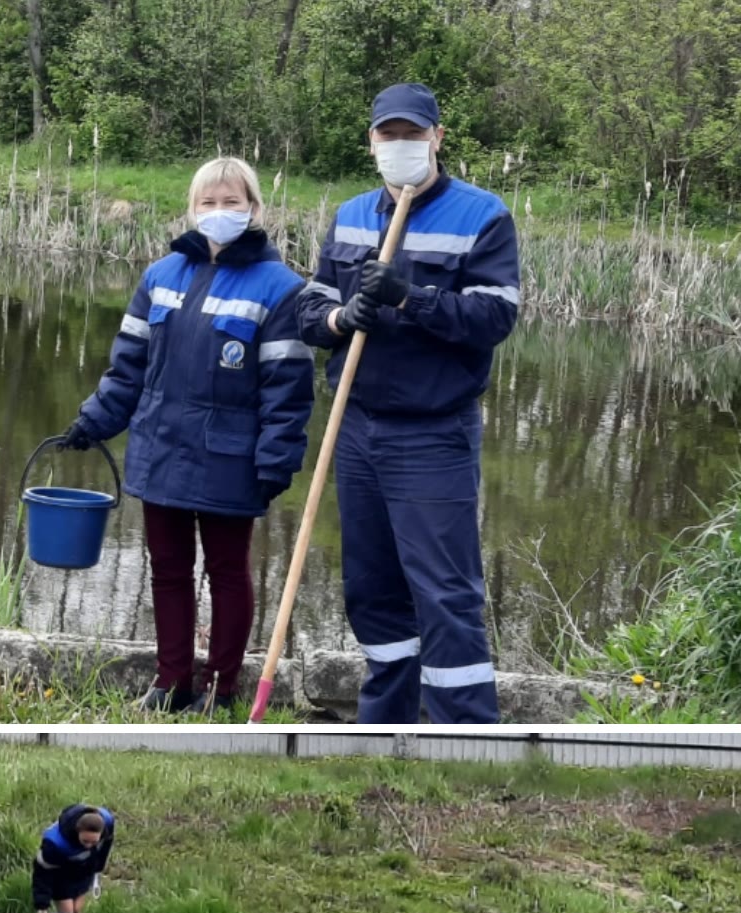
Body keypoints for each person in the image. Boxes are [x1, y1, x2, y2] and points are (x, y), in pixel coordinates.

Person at [297, 83, 521, 724]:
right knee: (371, 590)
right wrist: (343, 317)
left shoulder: (482, 215)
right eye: (387, 135)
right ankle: (387, 721)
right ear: (371, 142)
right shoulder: (350, 216)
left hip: (432, 434)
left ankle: (465, 734)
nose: (400, 145)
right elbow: (309, 312)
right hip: (357, 425)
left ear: (437, 138)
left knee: (445, 594)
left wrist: (408, 297)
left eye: (412, 134)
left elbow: (493, 318)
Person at [63, 157, 314, 715]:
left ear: (254, 209)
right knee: (167, 570)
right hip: (159, 451)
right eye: (209, 202)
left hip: (231, 458)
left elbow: (287, 390)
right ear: (192, 208)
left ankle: (222, 688)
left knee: (227, 573)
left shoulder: (282, 289)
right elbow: (128, 370)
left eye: (232, 202)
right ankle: (171, 681)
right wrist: (93, 421)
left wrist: (277, 461)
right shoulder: (161, 276)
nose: (219, 212)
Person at [32, 804, 114, 913]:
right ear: (77, 830)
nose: (89, 845)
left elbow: (104, 849)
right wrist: (42, 904)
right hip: (60, 874)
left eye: (94, 842)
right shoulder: (54, 844)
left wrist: (97, 869)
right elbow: (42, 873)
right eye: (85, 841)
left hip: (84, 870)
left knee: (76, 911)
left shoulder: (107, 823)